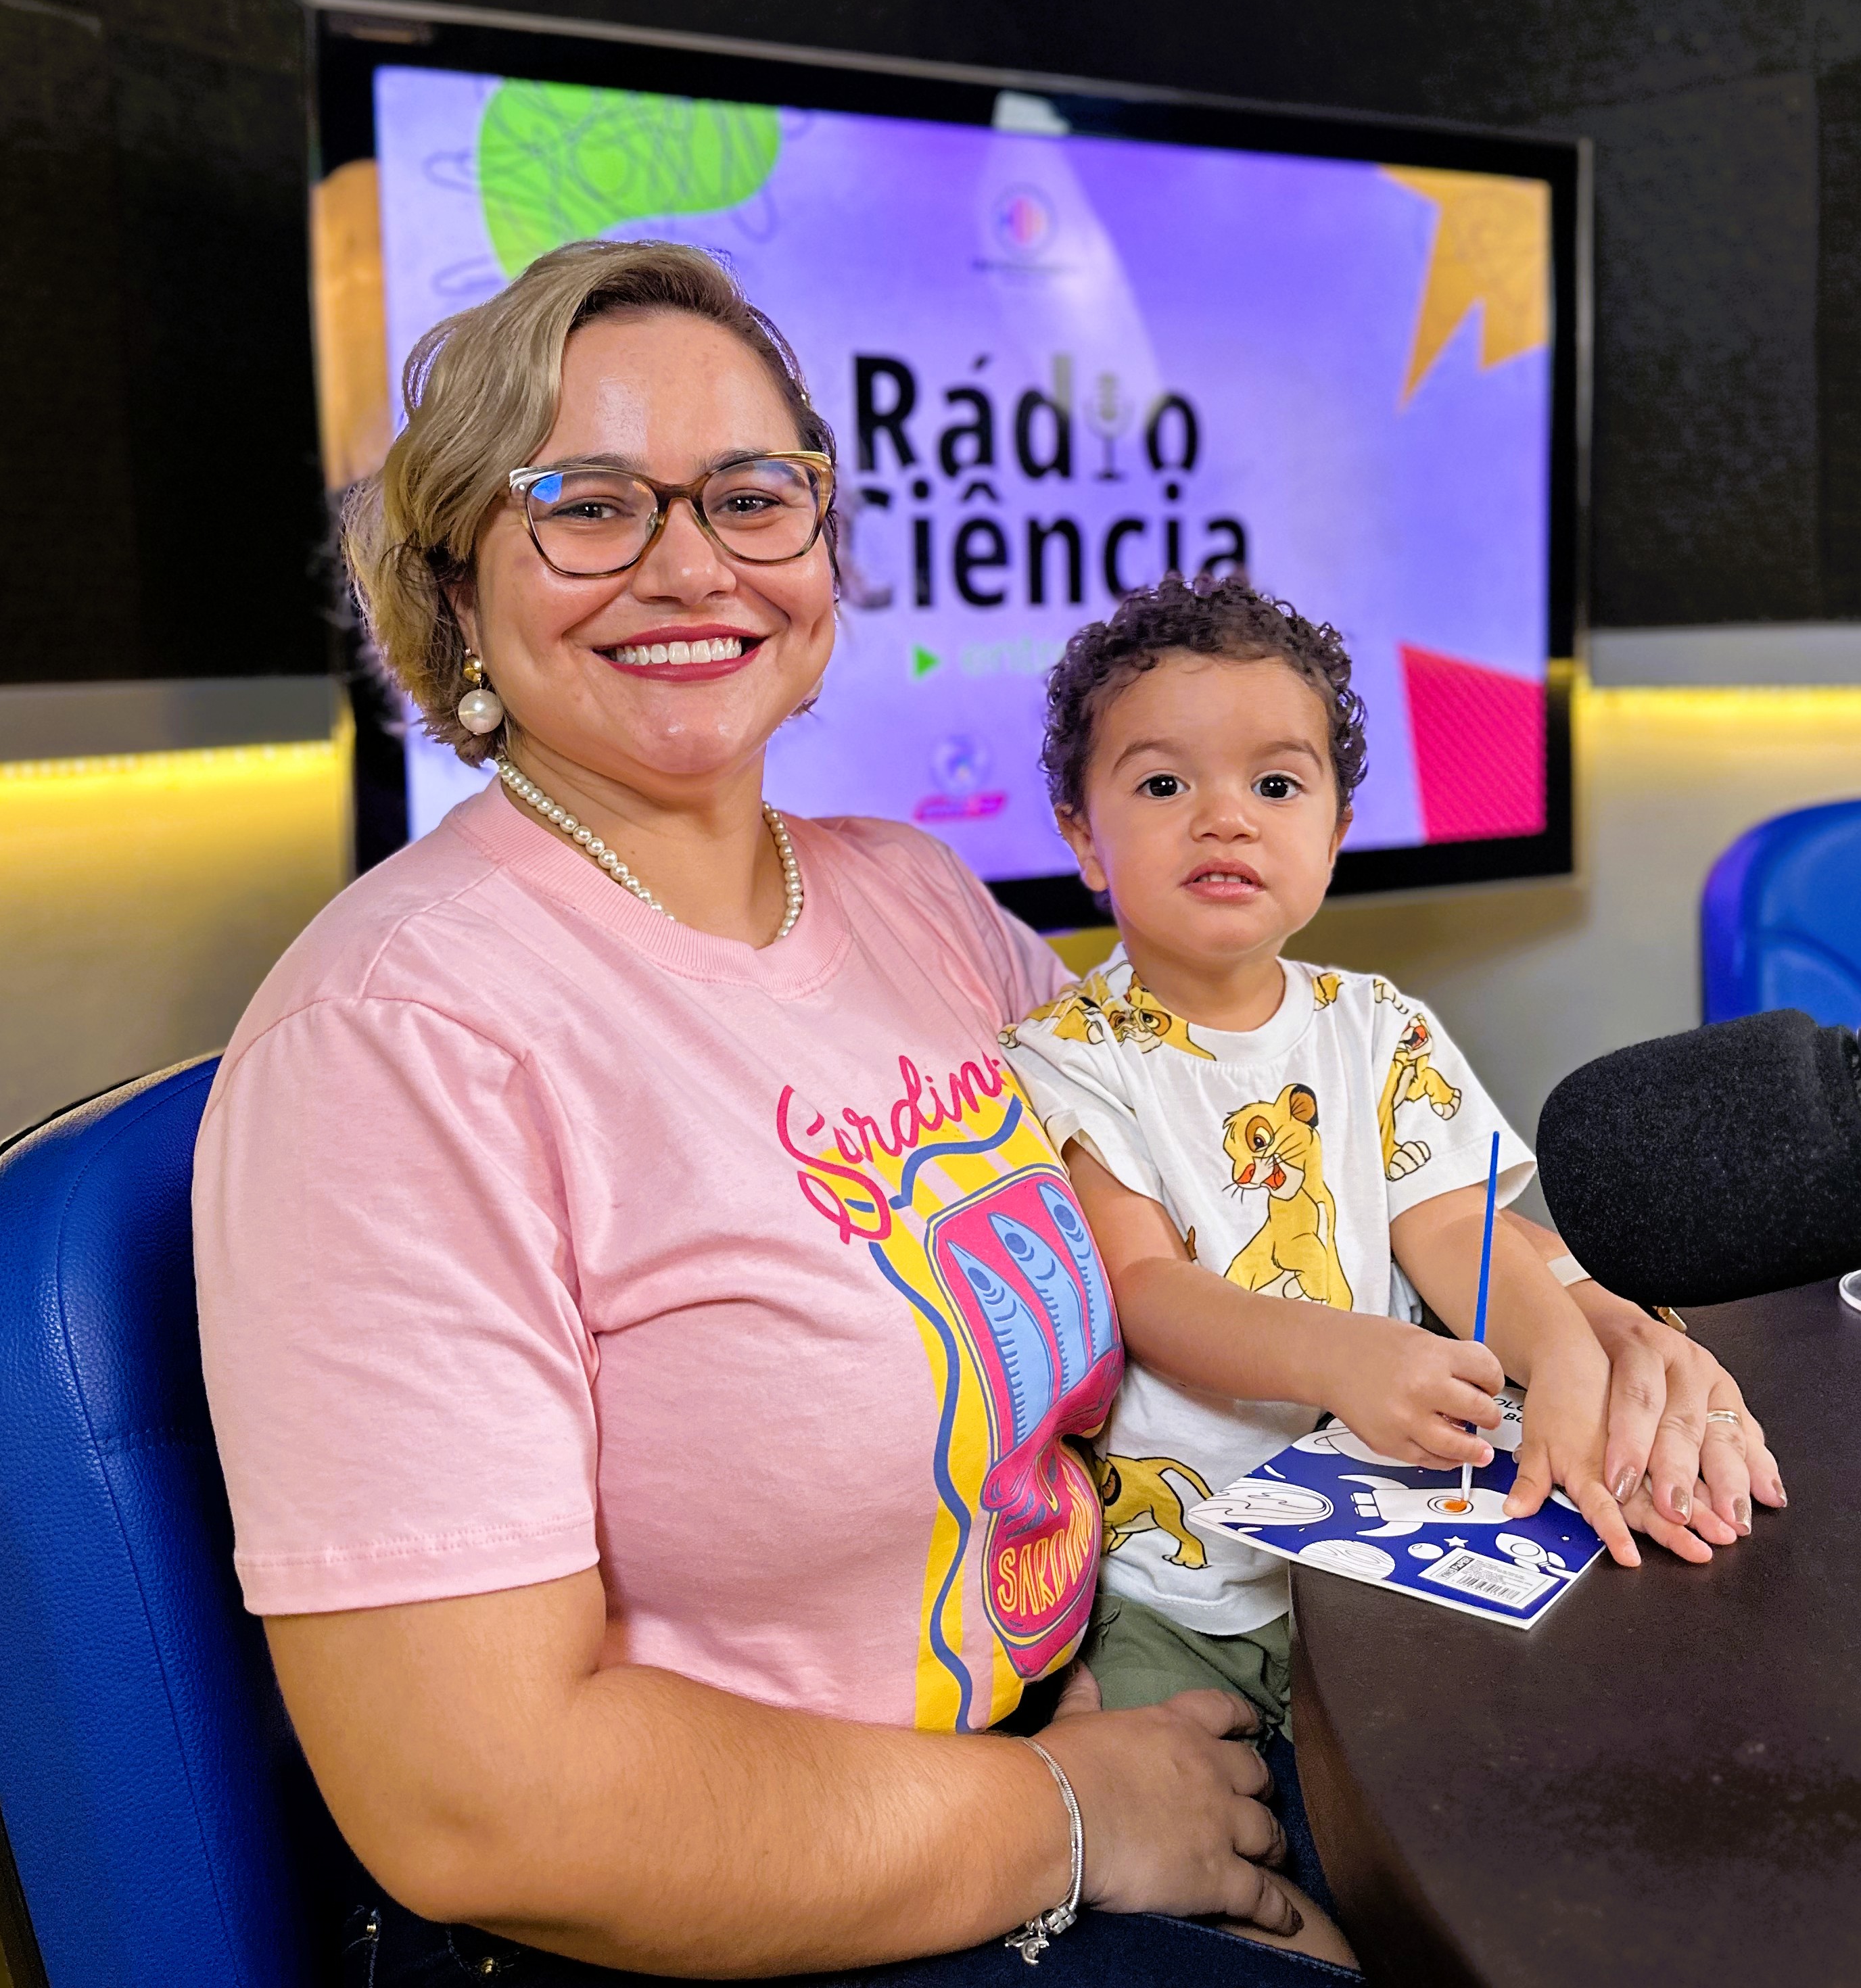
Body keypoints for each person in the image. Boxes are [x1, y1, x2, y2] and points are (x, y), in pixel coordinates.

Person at [192, 239, 1778, 1986]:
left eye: (751, 495)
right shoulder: (397, 1042)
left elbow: (1241, 1154)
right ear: (452, 575)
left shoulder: (917, 903)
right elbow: (481, 1807)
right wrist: (1073, 1820)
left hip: (1113, 1714)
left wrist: (1604, 1336)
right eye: (584, 503)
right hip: (749, 1911)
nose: (689, 562)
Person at [999, 575, 1786, 1753]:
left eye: (1276, 785)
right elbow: (1146, 1290)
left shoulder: (1381, 1027)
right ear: (1082, 837)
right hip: (1183, 1587)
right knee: (1196, 1822)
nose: (1226, 818)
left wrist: (1564, 1355)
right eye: (1164, 785)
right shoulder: (1068, 1052)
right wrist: (1342, 1350)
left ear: (1334, 835)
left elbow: (1457, 1241)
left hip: (1389, 1550)